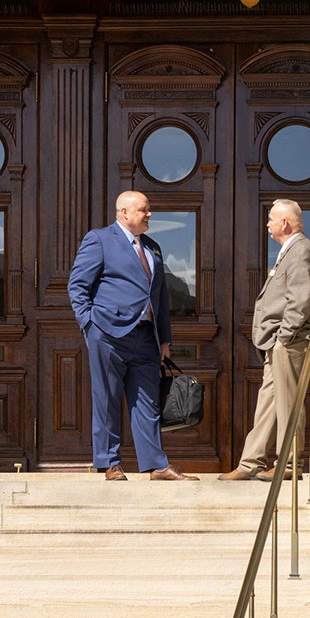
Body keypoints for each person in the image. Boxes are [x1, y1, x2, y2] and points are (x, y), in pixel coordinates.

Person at [68, 190, 197, 481]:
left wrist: (164, 338)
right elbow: (77, 286)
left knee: (147, 402)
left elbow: (160, 296)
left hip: (145, 338)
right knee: (106, 398)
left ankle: (156, 465)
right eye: (144, 210)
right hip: (107, 333)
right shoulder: (99, 240)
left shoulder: (153, 247)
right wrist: (89, 324)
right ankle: (109, 462)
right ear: (124, 212)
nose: (149, 214)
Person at [219, 198, 310, 481]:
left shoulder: (300, 251)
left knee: (288, 405)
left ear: (285, 223)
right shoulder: (291, 251)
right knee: (268, 403)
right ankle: (250, 463)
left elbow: (298, 301)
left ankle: (289, 466)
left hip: (289, 343)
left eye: (271, 220)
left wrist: (284, 338)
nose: (267, 225)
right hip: (280, 343)